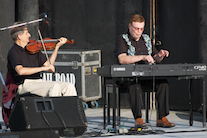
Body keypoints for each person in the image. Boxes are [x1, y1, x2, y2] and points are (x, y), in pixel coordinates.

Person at [113, 14, 175, 128]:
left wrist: (160, 55)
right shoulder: (122, 38)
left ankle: (161, 117)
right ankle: (138, 119)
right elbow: (122, 59)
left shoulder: (146, 39)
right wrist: (142, 57)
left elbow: (155, 57)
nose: (138, 31)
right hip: (129, 77)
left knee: (163, 83)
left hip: (147, 76)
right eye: (136, 28)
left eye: (141, 29)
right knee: (134, 83)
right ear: (130, 26)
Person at [7, 23, 77, 98]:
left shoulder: (33, 48)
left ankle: (70, 109)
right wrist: (43, 68)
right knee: (54, 87)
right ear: (19, 36)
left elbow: (48, 65)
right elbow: (20, 71)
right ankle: (55, 109)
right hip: (25, 84)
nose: (29, 35)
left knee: (69, 86)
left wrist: (57, 47)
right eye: (27, 33)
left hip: (39, 82)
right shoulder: (13, 52)